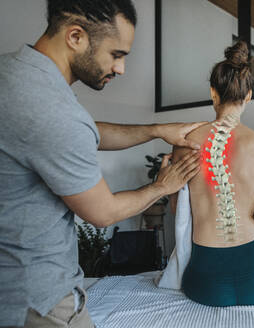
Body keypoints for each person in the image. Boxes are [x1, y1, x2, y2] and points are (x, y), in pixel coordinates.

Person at [0, 1, 205, 327]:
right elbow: (103, 213)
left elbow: (85, 133)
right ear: (76, 37)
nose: (121, 69)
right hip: (37, 299)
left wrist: (155, 130)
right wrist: (162, 186)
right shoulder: (51, 110)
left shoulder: (15, 74)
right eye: (117, 54)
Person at [171, 41, 254, 307]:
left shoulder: (184, 141)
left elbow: (178, 209)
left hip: (205, 279)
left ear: (213, 93)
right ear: (248, 96)